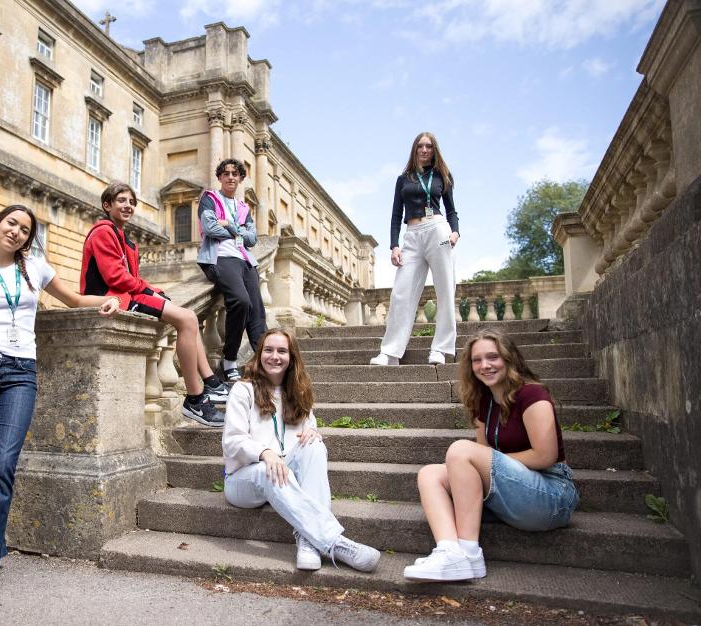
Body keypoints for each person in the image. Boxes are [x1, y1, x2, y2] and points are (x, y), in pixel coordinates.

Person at [0, 205, 122, 603]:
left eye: (26, 230)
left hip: (20, 373)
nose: (18, 233)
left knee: (2, 463)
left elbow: (74, 299)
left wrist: (108, 299)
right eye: (12, 224)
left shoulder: (36, 268)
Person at [403, 329, 579, 582]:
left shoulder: (532, 395)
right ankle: (451, 552)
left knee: (460, 451)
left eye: (493, 357)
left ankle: (470, 554)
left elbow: (545, 456)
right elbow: (481, 460)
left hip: (552, 495)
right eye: (477, 360)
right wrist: (490, 465)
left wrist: (493, 464)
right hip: (513, 490)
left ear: (509, 359)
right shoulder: (484, 402)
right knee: (430, 474)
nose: (484, 365)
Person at [222, 328, 381, 573]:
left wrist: (313, 433)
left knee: (315, 445)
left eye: (282, 351)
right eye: (269, 350)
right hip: (244, 479)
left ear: (291, 357)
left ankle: (308, 542)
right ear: (259, 354)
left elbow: (310, 429)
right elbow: (232, 441)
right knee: (269, 468)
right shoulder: (243, 390)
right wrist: (265, 452)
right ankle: (335, 542)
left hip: (285, 475)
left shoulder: (299, 392)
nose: (274, 356)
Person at [81, 181, 228, 427]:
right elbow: (115, 278)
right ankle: (195, 399)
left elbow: (131, 278)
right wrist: (149, 290)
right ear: (107, 205)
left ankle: (210, 382)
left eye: (131, 202)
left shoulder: (125, 240)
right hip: (112, 299)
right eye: (121, 201)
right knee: (187, 319)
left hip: (126, 295)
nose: (128, 206)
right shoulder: (103, 232)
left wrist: (153, 291)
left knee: (189, 317)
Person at [370, 131, 459, 367]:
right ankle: (390, 352)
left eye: (429, 146)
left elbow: (452, 210)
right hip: (412, 235)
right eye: (420, 146)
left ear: (434, 149)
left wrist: (455, 231)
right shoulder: (403, 179)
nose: (424, 150)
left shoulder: (443, 176)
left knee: (445, 290)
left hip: (438, 231)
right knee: (401, 293)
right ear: (414, 149)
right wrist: (394, 245)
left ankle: (440, 349)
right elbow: (395, 215)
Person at [198, 158, 267, 383]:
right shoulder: (209, 199)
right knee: (241, 301)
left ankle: (264, 361)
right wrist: (238, 232)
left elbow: (253, 238)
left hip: (246, 260)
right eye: (226, 173)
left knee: (257, 311)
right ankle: (229, 360)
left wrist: (229, 225)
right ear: (219, 177)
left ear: (240, 178)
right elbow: (209, 227)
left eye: (235, 174)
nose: (230, 177)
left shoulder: (243, 207)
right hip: (221, 256)